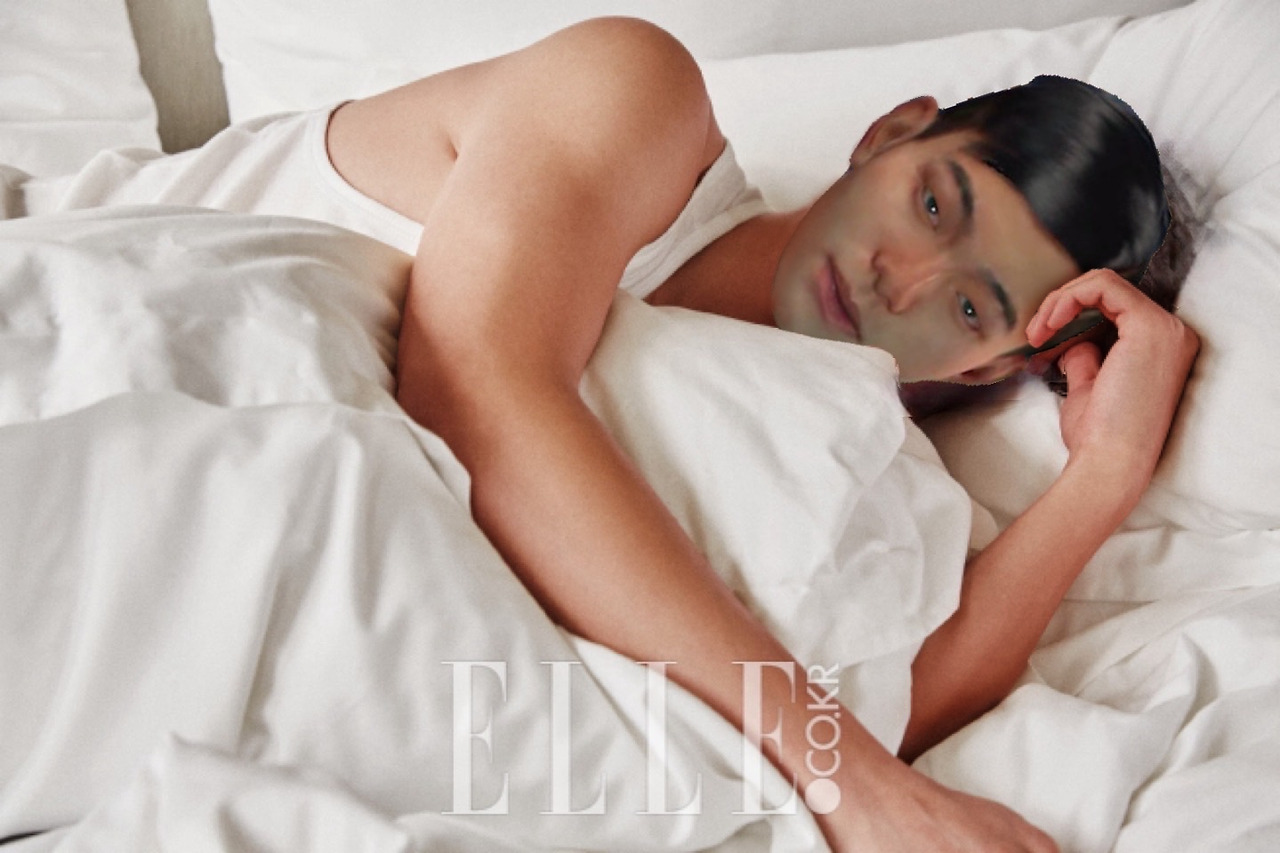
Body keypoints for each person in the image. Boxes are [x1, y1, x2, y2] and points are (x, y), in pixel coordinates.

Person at [16, 17, 1198, 852]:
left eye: (972, 305)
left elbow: (880, 690)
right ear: (889, 132)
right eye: (933, 203)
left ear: (986, 368)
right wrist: (857, 787)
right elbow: (473, 389)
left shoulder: (827, 470)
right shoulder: (634, 96)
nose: (903, 278)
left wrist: (1101, 475)